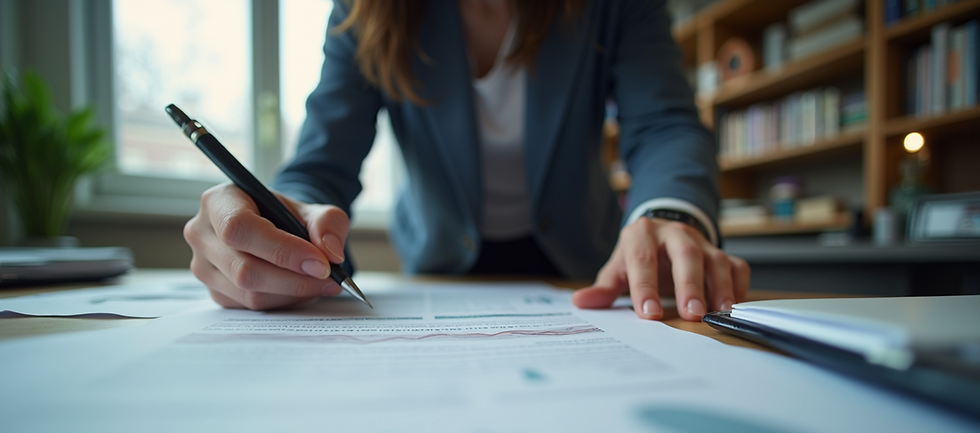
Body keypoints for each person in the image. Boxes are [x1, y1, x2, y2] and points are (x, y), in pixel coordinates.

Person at [182, 0, 750, 321]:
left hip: (582, 269)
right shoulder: (363, 13)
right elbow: (320, 166)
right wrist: (281, 220)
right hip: (437, 271)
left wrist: (672, 212)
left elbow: (665, 125)